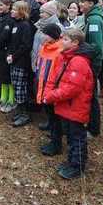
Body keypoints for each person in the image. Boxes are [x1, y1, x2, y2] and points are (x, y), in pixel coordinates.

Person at [43, 27, 96, 179]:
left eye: (65, 39)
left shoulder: (78, 61)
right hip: (66, 105)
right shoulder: (64, 56)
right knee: (71, 136)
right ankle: (71, 162)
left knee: (77, 137)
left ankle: (77, 166)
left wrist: (52, 96)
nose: (61, 41)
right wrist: (48, 93)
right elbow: (55, 78)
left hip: (75, 106)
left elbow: (72, 88)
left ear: (75, 43)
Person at [30, 0, 64, 129]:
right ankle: (49, 120)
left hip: (50, 69)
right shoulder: (40, 25)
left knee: (49, 95)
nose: (40, 15)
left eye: (43, 12)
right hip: (40, 62)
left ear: (50, 13)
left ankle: (53, 123)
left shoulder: (56, 27)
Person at [35, 23, 64, 154]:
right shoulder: (44, 48)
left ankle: (56, 144)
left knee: (55, 117)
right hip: (43, 88)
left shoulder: (59, 52)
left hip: (52, 90)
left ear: (53, 36)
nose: (42, 36)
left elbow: (59, 75)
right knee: (50, 115)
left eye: (45, 34)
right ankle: (53, 136)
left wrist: (53, 91)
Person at [80, 0, 103, 136]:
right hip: (88, 62)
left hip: (91, 64)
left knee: (91, 95)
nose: (80, 4)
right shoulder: (89, 18)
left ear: (90, 3)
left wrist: (81, 52)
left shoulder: (94, 20)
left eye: (83, 2)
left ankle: (93, 128)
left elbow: (96, 46)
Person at [6, 1, 34, 116]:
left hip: (21, 62)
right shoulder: (15, 23)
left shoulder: (25, 25)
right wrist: (9, 54)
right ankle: (19, 110)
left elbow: (26, 45)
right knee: (15, 85)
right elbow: (12, 42)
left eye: (14, 9)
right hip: (13, 60)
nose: (11, 11)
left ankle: (25, 114)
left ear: (21, 11)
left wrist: (13, 56)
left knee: (20, 87)